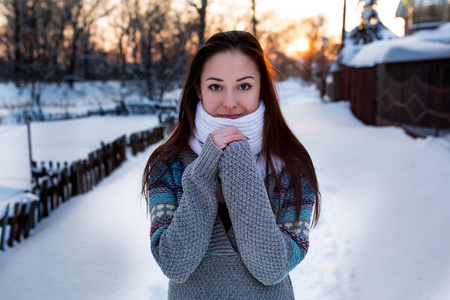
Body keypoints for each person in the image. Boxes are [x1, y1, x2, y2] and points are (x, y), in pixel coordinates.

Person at [142, 30, 320, 299]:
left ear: (262, 88)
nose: (229, 102)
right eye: (215, 86)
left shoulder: (292, 167)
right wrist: (202, 173)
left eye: (244, 86)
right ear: (198, 89)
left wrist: (237, 159)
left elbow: (271, 268)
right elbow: (174, 264)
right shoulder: (168, 165)